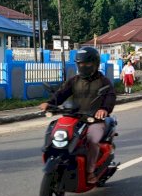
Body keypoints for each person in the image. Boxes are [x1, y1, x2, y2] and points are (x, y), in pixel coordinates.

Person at [40, 47, 116, 184]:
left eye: (87, 64)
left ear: (95, 64)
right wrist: (49, 103)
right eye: (80, 64)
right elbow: (62, 93)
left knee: (92, 140)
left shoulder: (104, 82)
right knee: (56, 131)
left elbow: (110, 97)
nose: (83, 66)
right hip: (75, 117)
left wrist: (104, 109)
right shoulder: (74, 81)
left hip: (94, 120)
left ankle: (90, 171)